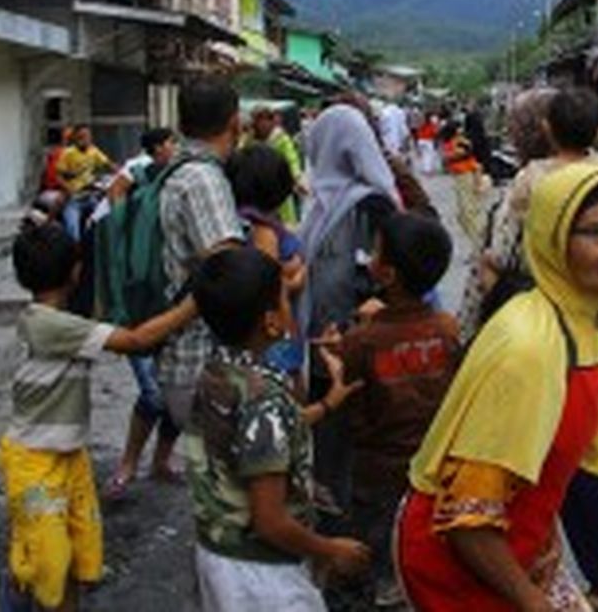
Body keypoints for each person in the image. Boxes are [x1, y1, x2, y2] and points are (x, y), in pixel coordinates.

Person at [396, 161, 598, 611]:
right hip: (454, 565)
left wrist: (543, 537)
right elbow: (466, 521)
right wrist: (532, 600)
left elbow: (539, 467)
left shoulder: (583, 318)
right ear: (553, 240)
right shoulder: (528, 349)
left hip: (512, 547)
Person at [0, 222, 196, 611]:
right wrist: (192, 304)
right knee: (46, 562)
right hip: (35, 461)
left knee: (72, 550)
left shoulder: (46, 318)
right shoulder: (53, 325)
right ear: (76, 270)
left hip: (64, 454)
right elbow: (136, 341)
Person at [184, 248, 370, 611]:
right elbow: (270, 521)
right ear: (271, 322)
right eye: (286, 297)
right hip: (262, 574)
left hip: (218, 554)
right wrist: (329, 549)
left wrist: (329, 401)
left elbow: (261, 438)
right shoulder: (265, 400)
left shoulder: (217, 373)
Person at [336, 212, 459, 608]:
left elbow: (352, 405)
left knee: (379, 545)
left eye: (375, 252)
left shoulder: (361, 340)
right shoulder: (447, 328)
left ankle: (388, 591)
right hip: (435, 466)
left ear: (386, 274)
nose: (369, 257)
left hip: (377, 471)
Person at [298, 104, 399, 521]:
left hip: (355, 342)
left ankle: (356, 530)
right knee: (332, 435)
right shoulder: (321, 198)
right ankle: (335, 517)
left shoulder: (371, 204)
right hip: (325, 344)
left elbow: (383, 279)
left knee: (356, 437)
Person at [157, 78, 246, 433]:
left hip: (180, 359)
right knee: (233, 482)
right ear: (235, 122)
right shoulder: (203, 180)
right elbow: (228, 275)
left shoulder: (174, 170)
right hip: (200, 361)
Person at [102, 127, 183, 499]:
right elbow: (114, 201)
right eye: (169, 144)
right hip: (137, 304)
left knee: (176, 392)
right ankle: (129, 463)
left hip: (170, 303)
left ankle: (160, 461)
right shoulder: (137, 179)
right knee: (153, 392)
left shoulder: (179, 184)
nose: (175, 149)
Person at [458, 87, 556, 342]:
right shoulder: (591, 172)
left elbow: (499, 263)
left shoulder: (528, 184)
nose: (511, 135)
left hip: (522, 331)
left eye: (515, 127)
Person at [227, 144, 308, 375]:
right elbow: (266, 284)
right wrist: (297, 279)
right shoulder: (263, 230)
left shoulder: (239, 218)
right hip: (272, 332)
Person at [56, 125, 116, 242]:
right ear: (75, 138)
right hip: (75, 198)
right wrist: (68, 188)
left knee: (105, 218)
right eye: (81, 137)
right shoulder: (68, 153)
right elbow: (59, 176)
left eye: (87, 136)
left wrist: (121, 171)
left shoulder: (93, 151)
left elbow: (108, 164)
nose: (85, 139)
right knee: (72, 230)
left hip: (91, 195)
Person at [250, 107, 305, 225]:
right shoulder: (249, 140)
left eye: (265, 120)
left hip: (280, 189)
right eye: (259, 120)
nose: (263, 125)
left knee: (285, 225)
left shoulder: (282, 139)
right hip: (256, 191)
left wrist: (297, 178)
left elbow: (292, 159)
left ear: (271, 121)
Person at [442, 121, 485, 242]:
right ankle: (477, 241)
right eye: (459, 128)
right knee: (463, 215)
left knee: (468, 213)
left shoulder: (461, 141)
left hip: (465, 175)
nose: (461, 130)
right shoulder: (455, 141)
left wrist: (448, 157)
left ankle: (479, 242)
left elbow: (463, 152)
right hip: (461, 176)